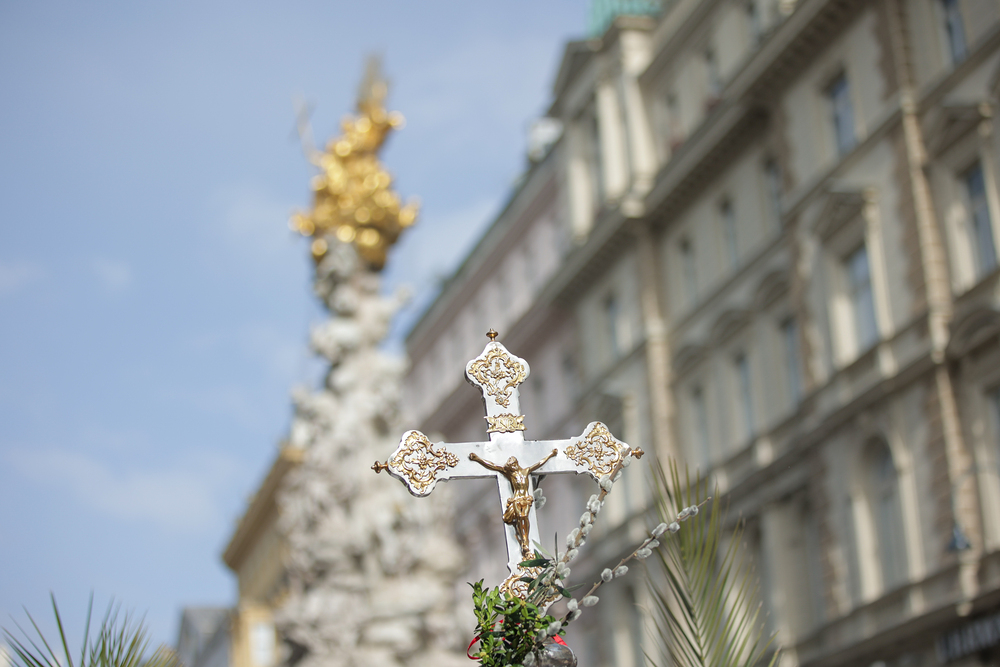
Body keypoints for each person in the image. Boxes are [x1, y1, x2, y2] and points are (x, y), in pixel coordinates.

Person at [469, 449, 558, 558]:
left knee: (524, 516)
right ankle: (523, 541)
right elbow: (492, 466)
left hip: (526, 500)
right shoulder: (510, 474)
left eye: (513, 465)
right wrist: (477, 459)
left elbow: (540, 463)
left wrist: (551, 455)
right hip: (516, 500)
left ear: (516, 464)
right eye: (511, 466)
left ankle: (525, 541)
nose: (513, 467)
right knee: (520, 516)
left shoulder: (525, 471)